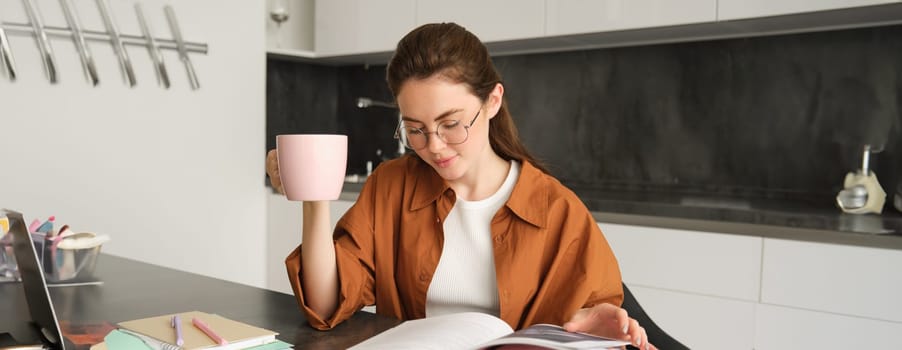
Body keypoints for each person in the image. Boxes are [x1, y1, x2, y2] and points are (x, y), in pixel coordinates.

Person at [266, 22, 656, 350]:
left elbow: (590, 324)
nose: (434, 146)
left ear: (492, 101)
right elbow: (324, 304)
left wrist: (598, 334)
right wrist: (313, 194)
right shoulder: (391, 187)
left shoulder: (557, 210)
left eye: (451, 124)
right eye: (415, 129)